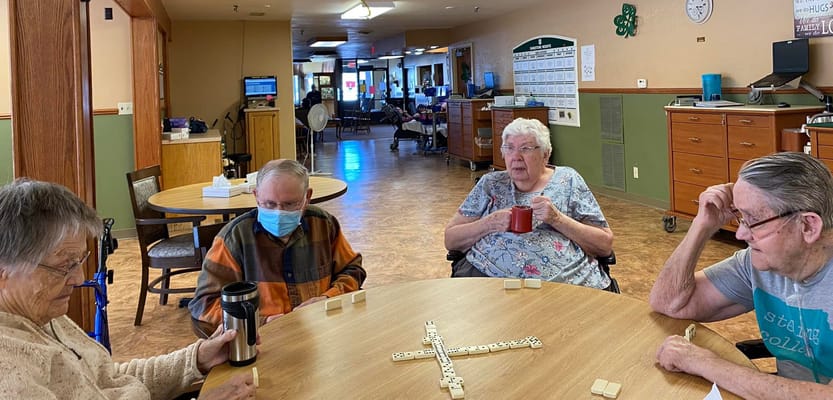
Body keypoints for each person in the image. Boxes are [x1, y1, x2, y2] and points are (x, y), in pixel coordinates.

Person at [0, 179, 256, 399]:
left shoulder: (42, 316)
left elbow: (108, 379)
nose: (78, 278)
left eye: (79, 262)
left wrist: (196, 359)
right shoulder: (9, 371)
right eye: (63, 266)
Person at [650, 152, 833, 398]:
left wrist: (705, 363)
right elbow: (669, 303)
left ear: (808, 226)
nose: (740, 235)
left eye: (754, 221)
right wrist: (703, 225)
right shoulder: (760, 263)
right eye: (741, 218)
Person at [189, 159, 365, 334]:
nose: (279, 212)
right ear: (256, 196)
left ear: (307, 197)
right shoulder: (234, 238)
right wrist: (259, 321)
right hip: (261, 340)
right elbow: (204, 305)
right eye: (269, 204)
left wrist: (327, 298)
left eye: (290, 204)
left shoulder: (324, 224)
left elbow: (352, 270)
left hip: (320, 332)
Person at [443, 118, 614, 289]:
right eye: (509, 148)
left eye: (525, 149)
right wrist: (489, 223)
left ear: (545, 154)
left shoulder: (568, 180)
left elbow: (604, 245)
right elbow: (451, 239)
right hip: (490, 282)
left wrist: (557, 219)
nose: (515, 157)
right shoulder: (491, 183)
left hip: (565, 285)